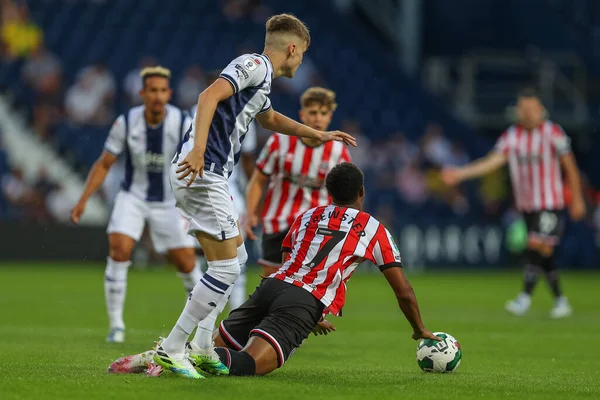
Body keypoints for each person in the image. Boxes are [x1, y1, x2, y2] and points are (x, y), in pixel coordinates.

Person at [153, 13, 356, 379]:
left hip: (204, 172)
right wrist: (198, 149)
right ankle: (173, 347)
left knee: (232, 262)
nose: (300, 62)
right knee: (229, 268)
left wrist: (318, 134)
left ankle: (201, 348)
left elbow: (270, 119)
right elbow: (208, 95)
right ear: (293, 48)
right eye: (303, 55)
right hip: (204, 170)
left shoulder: (261, 84)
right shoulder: (253, 65)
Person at [107, 163, 437, 377]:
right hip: (301, 301)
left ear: (329, 193)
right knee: (249, 364)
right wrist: (419, 329)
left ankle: (164, 354)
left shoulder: (309, 216)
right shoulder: (374, 229)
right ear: (362, 193)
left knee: (215, 348)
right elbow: (403, 290)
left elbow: (288, 255)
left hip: (272, 285)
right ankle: (179, 357)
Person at [71, 67, 201, 343]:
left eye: (162, 90)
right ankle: (116, 325)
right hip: (132, 197)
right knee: (119, 250)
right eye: (151, 90)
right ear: (142, 93)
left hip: (169, 202)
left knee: (186, 263)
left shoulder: (181, 122)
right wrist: (83, 200)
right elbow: (105, 163)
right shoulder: (126, 122)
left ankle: (203, 325)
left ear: (169, 94)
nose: (157, 96)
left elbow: (197, 160)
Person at [442, 88, 585, 318]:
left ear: (540, 110)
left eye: (530, 109)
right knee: (544, 252)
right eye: (522, 108)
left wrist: (577, 199)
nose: (526, 113)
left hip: (550, 202)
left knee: (538, 245)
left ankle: (525, 297)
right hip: (527, 205)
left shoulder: (553, 133)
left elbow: (570, 167)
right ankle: (560, 300)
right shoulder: (512, 136)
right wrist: (460, 174)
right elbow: (492, 162)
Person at [245, 86, 351, 277]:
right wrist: (251, 212)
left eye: (323, 113)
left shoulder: (338, 152)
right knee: (271, 281)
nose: (317, 118)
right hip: (278, 222)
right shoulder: (279, 141)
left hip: (319, 227)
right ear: (302, 115)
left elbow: (347, 195)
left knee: (311, 282)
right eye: (312, 112)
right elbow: (258, 179)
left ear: (329, 117)